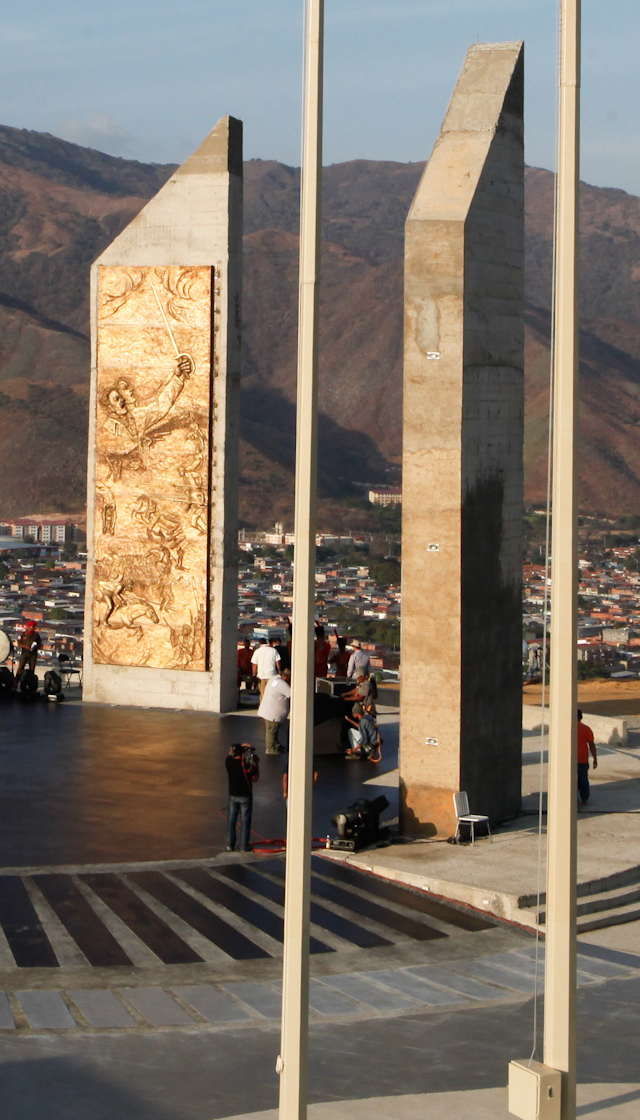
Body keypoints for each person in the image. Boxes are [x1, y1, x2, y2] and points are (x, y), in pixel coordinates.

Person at [225, 742, 260, 852]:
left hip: (233, 794)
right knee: (245, 820)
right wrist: (256, 763)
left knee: (231, 820)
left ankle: (230, 845)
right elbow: (255, 779)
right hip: (245, 795)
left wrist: (239, 747)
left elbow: (229, 754)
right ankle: (244, 845)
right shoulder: (248, 764)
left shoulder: (228, 762)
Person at [258, 668, 291, 754]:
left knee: (274, 730)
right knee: (272, 731)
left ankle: (276, 744)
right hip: (273, 714)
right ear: (286, 677)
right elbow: (291, 693)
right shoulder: (282, 684)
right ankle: (270, 748)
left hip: (268, 711)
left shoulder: (274, 679)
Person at [577, 709, 597, 807]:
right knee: (583, 780)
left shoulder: (566, 728)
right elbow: (591, 745)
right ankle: (584, 800)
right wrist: (595, 759)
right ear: (580, 717)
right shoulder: (586, 729)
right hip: (582, 760)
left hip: (569, 760)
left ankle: (571, 799)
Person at [15, 621, 41, 688]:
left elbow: (40, 643)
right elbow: (19, 643)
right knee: (21, 668)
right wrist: (25, 647)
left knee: (32, 669)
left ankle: (30, 684)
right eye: (31, 626)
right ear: (28, 627)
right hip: (25, 653)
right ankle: (15, 683)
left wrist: (36, 646)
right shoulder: (23, 634)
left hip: (33, 654)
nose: (32, 628)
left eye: (33, 627)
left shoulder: (36, 635)